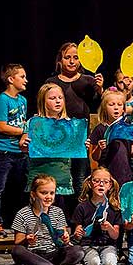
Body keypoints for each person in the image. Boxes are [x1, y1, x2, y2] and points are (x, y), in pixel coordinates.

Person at [45, 42, 104, 210]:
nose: (71, 61)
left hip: (80, 138)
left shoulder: (88, 81)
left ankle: (77, 217)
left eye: (76, 57)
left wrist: (99, 89)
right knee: (59, 176)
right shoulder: (51, 81)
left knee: (79, 177)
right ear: (60, 60)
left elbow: (99, 105)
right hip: (58, 137)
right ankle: (57, 216)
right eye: (67, 57)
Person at [10, 174, 86, 265]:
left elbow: (62, 238)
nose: (48, 197)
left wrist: (65, 238)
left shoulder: (58, 212)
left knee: (78, 251)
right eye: (44, 193)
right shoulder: (23, 213)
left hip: (52, 253)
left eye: (52, 193)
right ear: (33, 194)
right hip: (33, 254)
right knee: (17, 250)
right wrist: (27, 240)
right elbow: (18, 241)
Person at [19, 83, 76, 222]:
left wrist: (82, 144)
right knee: (37, 214)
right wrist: (24, 144)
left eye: (60, 98)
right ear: (43, 101)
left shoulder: (69, 124)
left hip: (61, 178)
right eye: (52, 98)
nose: (57, 101)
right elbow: (23, 144)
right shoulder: (34, 122)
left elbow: (74, 146)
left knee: (58, 215)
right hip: (40, 176)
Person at [0, 63, 29, 238]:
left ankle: (22, 222)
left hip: (21, 152)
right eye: (22, 76)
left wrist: (25, 133)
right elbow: (3, 127)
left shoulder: (23, 100)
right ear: (11, 79)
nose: (26, 80)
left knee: (23, 188)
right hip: (4, 151)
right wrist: (25, 131)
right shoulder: (2, 100)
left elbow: (24, 123)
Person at [87, 89, 133, 187]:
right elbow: (94, 157)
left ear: (123, 109)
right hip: (107, 176)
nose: (116, 108)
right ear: (104, 108)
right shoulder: (100, 129)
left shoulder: (128, 127)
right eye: (112, 105)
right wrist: (99, 148)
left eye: (119, 105)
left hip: (125, 174)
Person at [71, 167, 122, 265]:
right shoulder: (82, 207)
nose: (101, 184)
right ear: (90, 183)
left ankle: (112, 259)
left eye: (105, 182)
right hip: (88, 245)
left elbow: (115, 235)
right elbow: (78, 230)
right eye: (96, 181)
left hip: (108, 245)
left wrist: (109, 228)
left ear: (110, 185)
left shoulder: (114, 208)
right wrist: (78, 233)